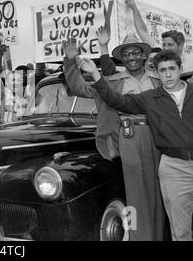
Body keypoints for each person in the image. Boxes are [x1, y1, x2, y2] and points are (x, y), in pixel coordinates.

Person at [81, 50, 193, 241]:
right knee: (181, 230)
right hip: (173, 167)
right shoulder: (150, 98)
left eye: (172, 69)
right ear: (157, 74)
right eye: (162, 70)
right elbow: (116, 100)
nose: (168, 74)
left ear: (180, 69)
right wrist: (95, 74)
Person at [64, 31, 165, 241]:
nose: (131, 58)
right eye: (126, 54)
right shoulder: (112, 81)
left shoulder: (159, 80)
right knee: (135, 196)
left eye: (135, 52)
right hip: (129, 139)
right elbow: (77, 87)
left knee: (161, 193)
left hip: (160, 142)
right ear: (123, 58)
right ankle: (139, 237)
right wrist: (71, 60)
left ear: (144, 55)